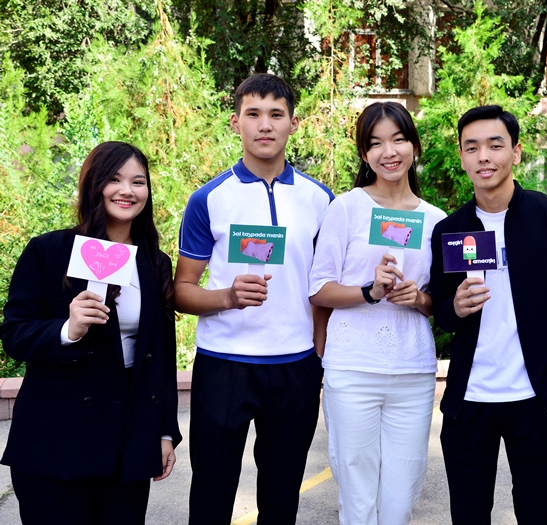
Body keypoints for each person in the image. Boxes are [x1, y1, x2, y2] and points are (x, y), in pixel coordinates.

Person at [175, 73, 333, 524]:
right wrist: (227, 296)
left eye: (276, 114)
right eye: (253, 114)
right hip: (224, 364)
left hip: (296, 365)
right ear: (235, 123)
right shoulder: (208, 199)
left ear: (293, 124)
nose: (265, 125)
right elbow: (181, 289)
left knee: (282, 496)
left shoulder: (321, 200)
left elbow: (322, 290)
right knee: (212, 491)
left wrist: (318, 355)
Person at [428, 105, 547, 524]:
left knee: (537, 514)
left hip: (534, 398)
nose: (483, 156)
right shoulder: (450, 229)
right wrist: (455, 307)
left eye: (495, 145)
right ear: (461, 157)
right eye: (472, 147)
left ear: (516, 152)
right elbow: (442, 314)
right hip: (469, 400)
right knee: (468, 515)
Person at [0, 141, 181, 524]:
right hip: (56, 442)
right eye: (114, 179)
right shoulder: (49, 251)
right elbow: (15, 334)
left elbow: (161, 354)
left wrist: (164, 432)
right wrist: (68, 329)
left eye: (138, 182)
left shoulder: (154, 263)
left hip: (127, 444)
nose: (127, 191)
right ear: (93, 184)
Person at [309, 102, 446, 524]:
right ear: (364, 154)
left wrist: (417, 298)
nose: (389, 152)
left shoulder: (436, 220)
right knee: (358, 496)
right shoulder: (346, 207)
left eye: (398, 139)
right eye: (376, 143)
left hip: (413, 372)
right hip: (352, 369)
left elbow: (440, 302)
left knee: (401, 499)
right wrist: (369, 291)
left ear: (414, 146)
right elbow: (319, 288)